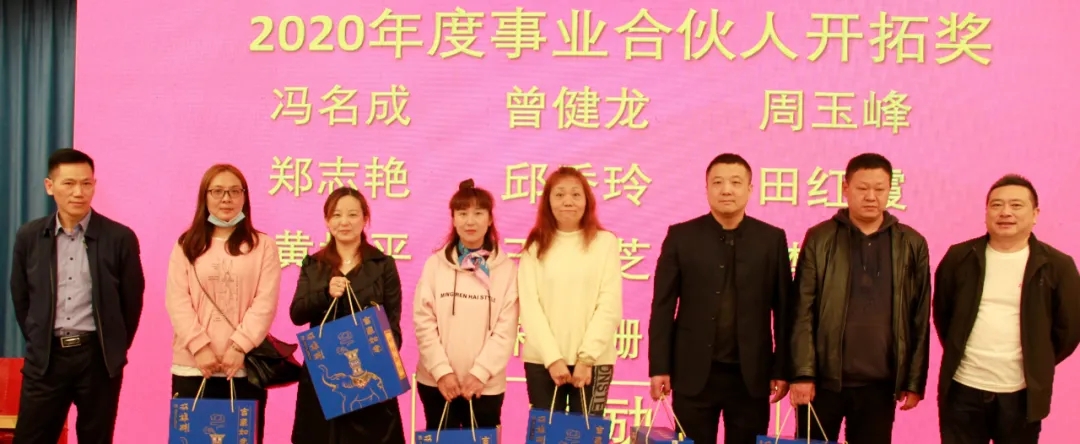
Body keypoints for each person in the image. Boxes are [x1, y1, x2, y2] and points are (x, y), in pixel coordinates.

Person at [649, 153, 793, 444]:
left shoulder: (771, 239)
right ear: (706, 189)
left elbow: (784, 310)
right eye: (718, 182)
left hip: (751, 376)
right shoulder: (681, 236)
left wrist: (782, 368)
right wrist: (660, 367)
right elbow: (663, 307)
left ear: (750, 189)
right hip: (693, 373)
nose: (726, 190)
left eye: (736, 182)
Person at [789, 153, 931, 443]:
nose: (871, 196)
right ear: (845, 188)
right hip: (822, 383)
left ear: (890, 190)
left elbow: (919, 316)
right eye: (862, 188)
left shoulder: (911, 243)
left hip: (880, 385)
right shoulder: (820, 238)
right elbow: (802, 308)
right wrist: (803, 373)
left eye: (879, 189)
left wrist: (914, 380)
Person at [10, 148, 145, 444]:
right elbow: (21, 297)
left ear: (94, 185)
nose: (78, 192)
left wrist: (112, 348)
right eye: (69, 183)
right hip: (46, 360)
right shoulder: (30, 236)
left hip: (97, 359)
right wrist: (38, 338)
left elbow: (131, 302)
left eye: (86, 183)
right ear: (50, 186)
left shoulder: (119, 238)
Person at [933, 174, 1080, 444]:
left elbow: (1069, 331)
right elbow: (944, 316)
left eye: (1016, 205)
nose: (1005, 212)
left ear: (1035, 214)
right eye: (997, 205)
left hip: (1021, 395)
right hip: (963, 390)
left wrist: (1037, 358)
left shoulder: (1058, 266)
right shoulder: (959, 257)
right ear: (986, 212)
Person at [165, 164, 280, 444]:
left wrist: (239, 346)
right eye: (217, 191)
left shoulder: (262, 245)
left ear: (244, 197)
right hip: (193, 365)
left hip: (243, 367)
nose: (226, 199)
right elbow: (177, 300)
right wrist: (199, 347)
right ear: (204, 197)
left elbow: (265, 302)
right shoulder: (186, 244)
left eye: (234, 191)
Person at [289, 187, 407, 444]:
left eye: (352, 214)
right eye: (336, 215)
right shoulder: (313, 264)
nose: (344, 222)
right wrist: (325, 293)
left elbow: (393, 325)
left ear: (365, 219)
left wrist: (380, 362)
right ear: (327, 221)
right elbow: (297, 314)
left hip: (370, 379)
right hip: (326, 380)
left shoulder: (382, 264)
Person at [413, 179, 519, 431]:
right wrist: (441, 371)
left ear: (490, 219)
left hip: (485, 386)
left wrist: (480, 373)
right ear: (453, 219)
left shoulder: (506, 270)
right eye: (462, 214)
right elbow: (423, 321)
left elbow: (506, 330)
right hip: (437, 383)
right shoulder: (435, 265)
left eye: (478, 213)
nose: (470, 221)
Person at [518, 166, 623, 416]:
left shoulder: (605, 243)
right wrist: (553, 359)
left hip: (594, 362)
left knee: (586, 432)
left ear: (587, 201)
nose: (568, 201)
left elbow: (609, 304)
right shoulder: (535, 246)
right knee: (545, 433)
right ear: (548, 201)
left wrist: (586, 358)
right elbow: (529, 307)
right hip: (543, 362)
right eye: (559, 194)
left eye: (576, 194)